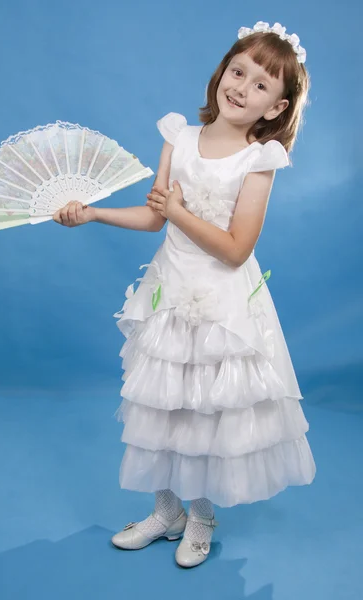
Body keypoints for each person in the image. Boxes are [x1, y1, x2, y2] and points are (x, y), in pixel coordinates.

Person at [53, 20, 316, 568]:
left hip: (220, 303)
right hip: (169, 292)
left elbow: (237, 248)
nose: (241, 86)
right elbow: (154, 219)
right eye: (237, 70)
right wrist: (95, 212)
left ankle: (201, 515)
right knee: (164, 404)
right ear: (221, 72)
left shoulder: (257, 160)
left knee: (204, 409)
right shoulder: (180, 136)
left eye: (261, 84)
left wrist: (178, 212)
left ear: (274, 108)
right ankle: (166, 509)